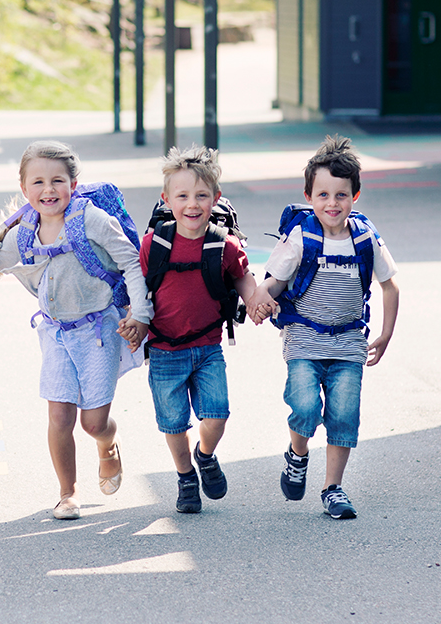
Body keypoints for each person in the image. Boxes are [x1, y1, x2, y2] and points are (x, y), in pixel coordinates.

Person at [0, 140, 150, 520]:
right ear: (24, 189)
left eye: (58, 181)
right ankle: (68, 493)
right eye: (38, 182)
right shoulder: (23, 234)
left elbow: (132, 261)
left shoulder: (92, 220)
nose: (48, 190)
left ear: (74, 184)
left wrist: (141, 315)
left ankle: (108, 444)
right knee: (60, 419)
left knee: (93, 422)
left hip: (99, 332)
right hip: (56, 334)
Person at [248, 135, 400, 519]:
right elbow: (274, 281)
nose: (332, 204)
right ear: (309, 195)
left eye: (341, 195)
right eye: (323, 195)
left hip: (349, 339)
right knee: (304, 407)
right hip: (303, 337)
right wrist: (259, 298)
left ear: (356, 196)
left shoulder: (365, 238)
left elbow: (389, 285)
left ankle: (333, 488)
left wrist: (385, 333)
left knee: (343, 415)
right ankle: (297, 454)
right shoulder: (302, 237)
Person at [138, 147, 271, 514]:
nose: (192, 204)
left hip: (209, 346)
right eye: (182, 196)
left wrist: (256, 301)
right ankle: (185, 476)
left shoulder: (223, 245)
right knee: (173, 422)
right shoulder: (154, 245)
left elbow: (242, 277)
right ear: (167, 199)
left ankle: (205, 455)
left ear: (216, 197)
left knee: (217, 416)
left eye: (201, 195)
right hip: (164, 349)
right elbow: (135, 286)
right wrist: (132, 320)